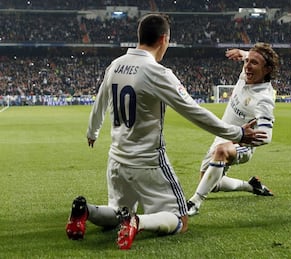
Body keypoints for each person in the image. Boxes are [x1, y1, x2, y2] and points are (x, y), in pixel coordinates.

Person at [65, 13, 268, 250]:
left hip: (117, 161)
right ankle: (136, 222)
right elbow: (194, 111)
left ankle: (85, 210)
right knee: (180, 220)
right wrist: (237, 134)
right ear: (164, 39)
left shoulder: (116, 65)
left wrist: (93, 131)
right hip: (148, 162)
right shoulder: (157, 72)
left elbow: (100, 101)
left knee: (118, 212)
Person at [187, 43, 280, 216]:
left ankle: (194, 203)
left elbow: (266, 136)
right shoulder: (247, 75)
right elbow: (250, 58)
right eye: (247, 61)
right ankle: (251, 186)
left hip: (242, 143)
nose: (247, 66)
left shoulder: (263, 99)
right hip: (222, 136)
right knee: (211, 184)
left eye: (253, 63)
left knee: (222, 152)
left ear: (267, 69)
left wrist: (242, 138)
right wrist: (243, 53)